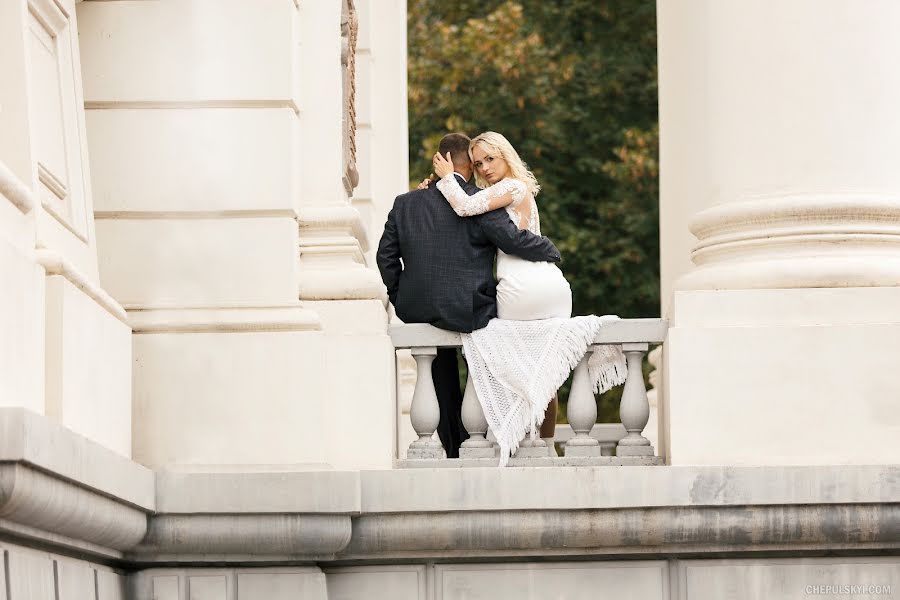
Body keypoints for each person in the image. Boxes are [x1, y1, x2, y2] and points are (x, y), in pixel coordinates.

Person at [431, 132, 626, 465]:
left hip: (522, 290)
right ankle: (545, 447)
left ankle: (523, 445)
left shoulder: (511, 188)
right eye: (479, 163)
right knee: (545, 373)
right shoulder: (513, 192)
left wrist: (446, 179)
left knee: (511, 367)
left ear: (506, 156)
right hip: (553, 288)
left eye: (491, 158)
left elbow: (464, 206)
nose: (485, 167)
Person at [377, 133, 561, 459]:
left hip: (417, 306)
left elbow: (385, 258)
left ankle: (453, 447)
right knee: (482, 356)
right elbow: (512, 239)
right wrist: (550, 249)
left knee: (439, 369)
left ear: (441, 161)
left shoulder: (406, 202)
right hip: (469, 306)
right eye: (478, 163)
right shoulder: (479, 200)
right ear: (468, 165)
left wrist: (400, 294)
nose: (484, 168)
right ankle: (484, 440)